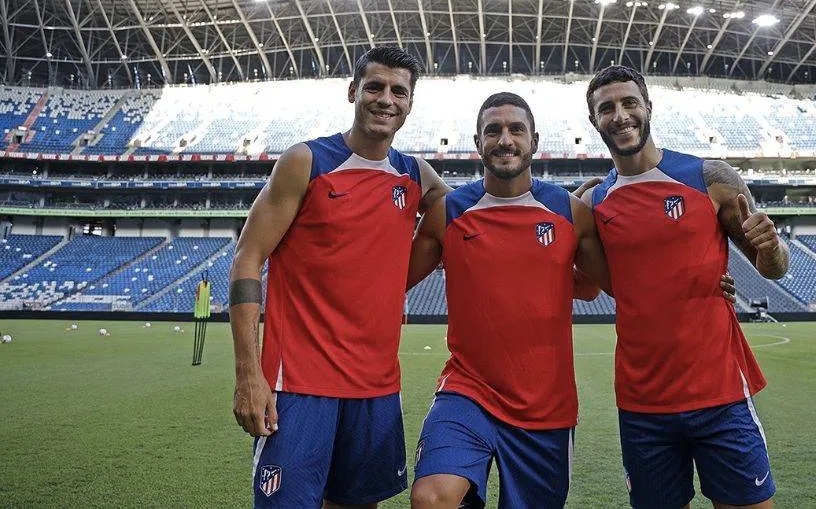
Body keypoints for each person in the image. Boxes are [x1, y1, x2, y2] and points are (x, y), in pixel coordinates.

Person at [405, 92, 737, 508]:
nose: (504, 140)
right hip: (467, 390)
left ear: (535, 141)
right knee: (431, 497)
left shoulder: (571, 213)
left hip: (546, 406)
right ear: (477, 143)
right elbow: (390, 280)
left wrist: (709, 280)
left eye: (516, 130)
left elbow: (620, 285)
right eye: (493, 130)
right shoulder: (448, 213)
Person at [228, 46, 449, 508]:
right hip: (299, 384)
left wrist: (569, 203)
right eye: (374, 87)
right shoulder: (306, 162)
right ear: (353, 91)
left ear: (410, 104)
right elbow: (248, 259)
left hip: (376, 385)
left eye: (398, 91)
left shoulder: (413, 175)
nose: (386, 99)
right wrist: (249, 374)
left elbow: (473, 221)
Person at [579, 66, 790, 509]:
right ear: (595, 121)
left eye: (629, 102)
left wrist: (771, 247)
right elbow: (595, 284)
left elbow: (772, 268)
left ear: (648, 106)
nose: (620, 115)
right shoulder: (593, 203)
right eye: (607, 108)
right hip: (643, 403)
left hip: (720, 394)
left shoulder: (710, 178)